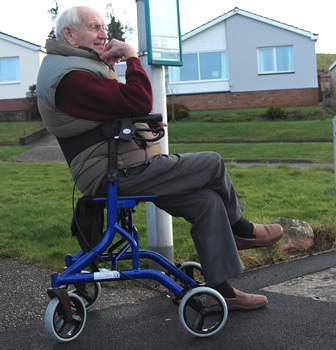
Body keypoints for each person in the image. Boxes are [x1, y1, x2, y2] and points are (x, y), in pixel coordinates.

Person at [37, 6, 283, 311]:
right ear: (69, 34)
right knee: (212, 163)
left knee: (207, 201)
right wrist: (131, 56)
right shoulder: (69, 75)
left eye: (103, 27)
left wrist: (140, 122)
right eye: (94, 27)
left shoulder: (77, 66)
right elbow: (137, 99)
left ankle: (220, 291)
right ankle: (243, 230)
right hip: (117, 172)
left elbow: (108, 114)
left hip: (126, 165)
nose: (104, 34)